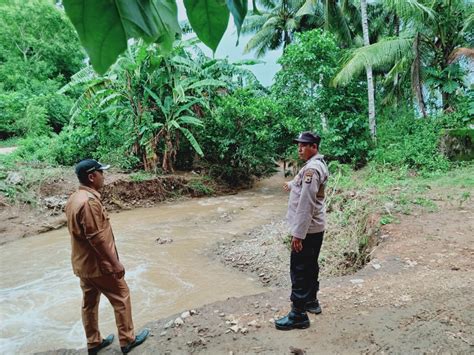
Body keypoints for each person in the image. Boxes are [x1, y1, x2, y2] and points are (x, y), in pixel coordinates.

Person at [65, 159, 149, 354]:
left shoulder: (74, 198)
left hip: (82, 265)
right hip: (98, 265)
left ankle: (93, 342)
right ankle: (127, 340)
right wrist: (115, 263)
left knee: (89, 303)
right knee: (121, 295)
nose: (104, 176)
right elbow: (96, 239)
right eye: (102, 173)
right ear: (92, 177)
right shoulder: (89, 203)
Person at [275, 132, 329, 331]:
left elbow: (306, 204)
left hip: (307, 229)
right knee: (310, 265)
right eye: (298, 145)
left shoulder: (311, 171)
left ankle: (298, 315)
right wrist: (291, 185)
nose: (299, 149)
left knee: (299, 269)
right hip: (316, 228)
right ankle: (311, 302)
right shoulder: (314, 165)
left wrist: (298, 234)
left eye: (303, 145)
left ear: (313, 147)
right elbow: (302, 184)